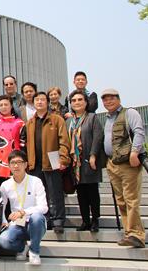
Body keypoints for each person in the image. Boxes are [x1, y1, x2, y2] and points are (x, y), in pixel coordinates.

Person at [101, 88, 146, 248]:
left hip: (128, 163)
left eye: (111, 98)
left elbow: (139, 133)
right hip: (113, 163)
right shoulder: (107, 118)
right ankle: (129, 233)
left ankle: (136, 234)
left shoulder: (129, 113)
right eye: (105, 99)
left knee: (131, 198)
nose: (108, 101)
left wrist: (135, 152)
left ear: (118, 99)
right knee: (121, 200)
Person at [24, 91, 71, 233]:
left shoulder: (56, 119)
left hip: (52, 160)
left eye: (42, 100)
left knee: (55, 192)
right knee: (40, 194)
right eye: (37, 100)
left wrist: (63, 158)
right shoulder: (30, 123)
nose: (39, 102)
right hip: (35, 163)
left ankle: (58, 220)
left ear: (47, 102)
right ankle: (46, 219)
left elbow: (64, 141)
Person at [0, 150, 48, 266]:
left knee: (37, 217)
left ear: (25, 164)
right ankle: (22, 248)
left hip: (35, 224)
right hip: (17, 225)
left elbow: (43, 207)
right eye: (13, 163)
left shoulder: (36, 181)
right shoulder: (5, 185)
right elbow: (1, 206)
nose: (16, 166)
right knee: (4, 241)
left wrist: (23, 212)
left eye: (19, 162)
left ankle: (34, 251)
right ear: (9, 166)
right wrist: (3, 221)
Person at [67, 90, 105, 232]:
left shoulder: (92, 117)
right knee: (81, 193)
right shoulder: (69, 121)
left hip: (89, 160)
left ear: (86, 102)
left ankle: (95, 220)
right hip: (75, 163)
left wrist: (94, 155)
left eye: (80, 99)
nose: (77, 102)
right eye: (74, 100)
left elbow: (98, 137)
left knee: (92, 191)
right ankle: (85, 221)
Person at [0, 95, 25, 183]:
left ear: (11, 106)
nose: (3, 107)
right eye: (1, 105)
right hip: (0, 159)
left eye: (6, 104)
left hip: (16, 157)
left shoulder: (20, 123)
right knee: (2, 186)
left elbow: (23, 143)